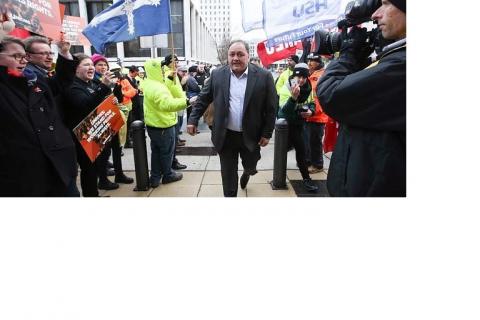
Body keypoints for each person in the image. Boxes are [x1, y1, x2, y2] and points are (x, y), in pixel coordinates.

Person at [316, 0, 406, 196]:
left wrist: (348, 55)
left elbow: (330, 94)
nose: (375, 15)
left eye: (386, 4)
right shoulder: (393, 57)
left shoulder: (401, 64)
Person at [187, 40, 277, 197]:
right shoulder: (217, 75)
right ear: (228, 56)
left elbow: (271, 108)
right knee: (228, 175)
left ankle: (247, 173)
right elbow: (203, 98)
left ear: (248, 56)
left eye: (240, 54)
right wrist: (193, 119)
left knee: (251, 166)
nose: (235, 58)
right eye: (232, 54)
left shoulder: (264, 76)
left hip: (251, 135)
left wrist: (267, 132)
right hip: (225, 135)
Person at [0, 36, 77, 196]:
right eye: (16, 56)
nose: (22, 61)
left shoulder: (35, 80)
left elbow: (60, 83)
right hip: (24, 173)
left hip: (59, 165)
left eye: (23, 57)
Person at [63, 53, 117, 197]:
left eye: (92, 65)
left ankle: (94, 194)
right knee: (88, 170)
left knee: (94, 169)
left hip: (94, 133)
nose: (91, 68)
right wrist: (104, 87)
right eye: (86, 65)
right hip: (79, 136)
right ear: (76, 69)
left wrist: (111, 102)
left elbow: (98, 102)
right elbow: (85, 106)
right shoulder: (72, 86)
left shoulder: (92, 83)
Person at [142, 58, 188, 188]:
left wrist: (168, 79)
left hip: (154, 124)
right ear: (156, 70)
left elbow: (162, 93)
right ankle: (168, 175)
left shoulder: (150, 82)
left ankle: (155, 178)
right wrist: (188, 102)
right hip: (163, 124)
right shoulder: (156, 87)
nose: (163, 70)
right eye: (161, 68)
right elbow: (167, 104)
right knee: (166, 152)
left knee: (156, 152)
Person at [91, 54, 134, 189]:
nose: (103, 67)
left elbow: (120, 98)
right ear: (94, 67)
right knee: (104, 152)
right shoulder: (92, 81)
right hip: (101, 121)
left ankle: (119, 174)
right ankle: (102, 180)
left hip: (113, 118)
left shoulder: (112, 80)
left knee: (117, 147)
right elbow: (93, 100)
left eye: (105, 65)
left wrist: (116, 90)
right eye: (99, 65)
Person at [277, 63, 318, 192]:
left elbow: (311, 103)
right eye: (298, 77)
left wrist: (311, 112)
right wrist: (293, 98)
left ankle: (306, 179)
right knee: (281, 152)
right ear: (294, 76)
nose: (300, 80)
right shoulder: (286, 88)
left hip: (299, 125)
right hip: (285, 127)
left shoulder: (309, 87)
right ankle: (253, 171)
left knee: (302, 151)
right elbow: (283, 113)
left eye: (304, 77)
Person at [304, 53, 329, 174]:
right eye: (309, 60)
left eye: (312, 61)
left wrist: (314, 111)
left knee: (315, 142)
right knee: (309, 141)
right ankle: (309, 162)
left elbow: (319, 98)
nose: (309, 63)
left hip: (317, 116)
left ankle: (318, 165)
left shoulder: (321, 75)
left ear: (318, 62)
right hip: (309, 115)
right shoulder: (311, 74)